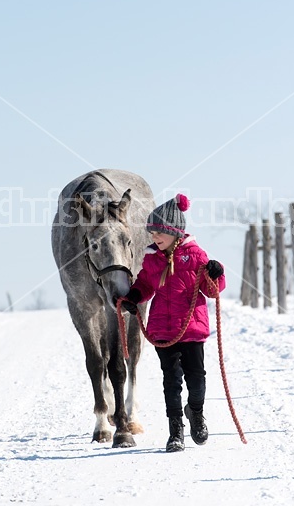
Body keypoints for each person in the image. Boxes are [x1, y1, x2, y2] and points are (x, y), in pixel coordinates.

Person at [119, 193, 226, 452]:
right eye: (152, 235)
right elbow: (145, 284)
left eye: (158, 234)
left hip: (191, 329)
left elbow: (211, 290)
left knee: (196, 378)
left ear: (174, 232)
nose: (154, 239)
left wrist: (216, 273)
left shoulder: (196, 256)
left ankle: (196, 412)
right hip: (163, 330)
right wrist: (134, 296)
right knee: (171, 380)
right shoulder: (153, 258)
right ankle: (175, 429)